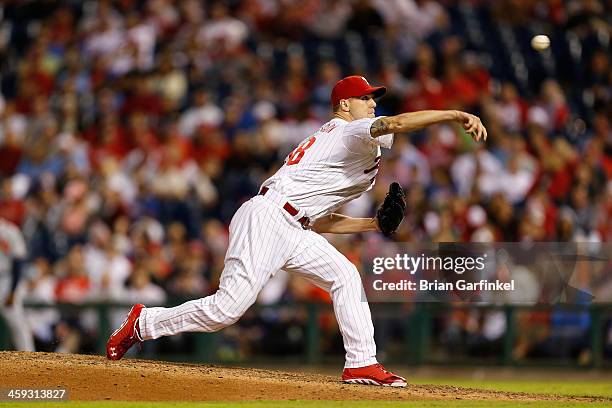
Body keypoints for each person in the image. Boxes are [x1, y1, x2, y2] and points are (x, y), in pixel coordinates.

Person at [106, 75, 487, 386]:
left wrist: (372, 224)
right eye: (365, 97)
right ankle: (143, 322)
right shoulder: (348, 130)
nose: (372, 103)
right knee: (227, 309)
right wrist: (455, 114)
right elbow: (396, 123)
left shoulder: (356, 157)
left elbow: (321, 220)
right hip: (268, 216)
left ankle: (361, 363)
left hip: (294, 225)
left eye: (374, 98)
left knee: (344, 276)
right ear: (344, 105)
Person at [0, 217, 35, 351]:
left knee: (17, 322)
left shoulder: (9, 231)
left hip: (6, 279)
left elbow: (18, 262)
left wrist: (13, 290)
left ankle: (28, 356)